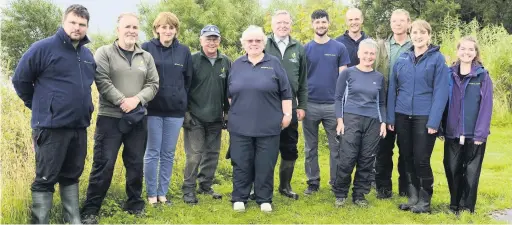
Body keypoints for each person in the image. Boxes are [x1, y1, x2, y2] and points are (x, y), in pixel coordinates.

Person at [11, 4, 94, 224]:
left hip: (78, 126)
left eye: (82, 24)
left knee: (71, 175)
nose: (77, 27)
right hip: (50, 127)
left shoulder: (86, 55)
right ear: (64, 22)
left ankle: (72, 219)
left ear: (86, 27)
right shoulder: (43, 48)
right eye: (73, 22)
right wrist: (40, 106)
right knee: (45, 178)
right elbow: (20, 80)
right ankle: (40, 221)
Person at [81, 13, 159, 223]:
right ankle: (91, 209)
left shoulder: (146, 57)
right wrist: (122, 101)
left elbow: (153, 84)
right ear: (118, 30)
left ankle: (134, 203)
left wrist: (137, 100)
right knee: (103, 164)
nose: (131, 31)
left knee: (135, 163)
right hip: (110, 118)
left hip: (138, 119)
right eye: (127, 27)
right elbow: (102, 80)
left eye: (135, 27)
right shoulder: (104, 52)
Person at [387, 19, 449, 214]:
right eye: (415, 32)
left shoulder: (437, 59)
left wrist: (434, 121)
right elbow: (392, 89)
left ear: (429, 35)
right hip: (402, 115)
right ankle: (412, 196)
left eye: (422, 32)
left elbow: (441, 92)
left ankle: (425, 199)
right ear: (410, 34)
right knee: (406, 156)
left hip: (425, 116)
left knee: (421, 159)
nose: (418, 36)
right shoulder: (402, 58)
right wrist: (390, 117)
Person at [228, 25, 292, 213]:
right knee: (241, 161)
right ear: (243, 44)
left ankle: (264, 198)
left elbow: (286, 93)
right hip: (240, 125)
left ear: (264, 43)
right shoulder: (236, 64)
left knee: (265, 162)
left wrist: (287, 114)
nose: (254, 44)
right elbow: (230, 95)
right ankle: (240, 196)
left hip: (269, 124)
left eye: (258, 41)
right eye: (250, 41)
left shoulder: (274, 64)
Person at [140, 12, 193, 206]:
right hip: (152, 110)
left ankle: (163, 193)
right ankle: (151, 194)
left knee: (168, 154)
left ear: (176, 30)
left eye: (171, 27)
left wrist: (182, 101)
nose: (167, 30)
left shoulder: (184, 51)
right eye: (163, 27)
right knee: (152, 152)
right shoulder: (146, 48)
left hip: (175, 112)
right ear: (156, 29)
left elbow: (188, 80)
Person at [332, 39, 386, 207]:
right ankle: (340, 193)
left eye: (372, 54)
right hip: (351, 119)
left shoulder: (379, 77)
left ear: (375, 56)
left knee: (367, 159)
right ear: (358, 54)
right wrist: (339, 120)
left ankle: (359, 195)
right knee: (347, 158)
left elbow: (382, 103)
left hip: (373, 122)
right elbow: (338, 98)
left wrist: (383, 122)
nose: (368, 56)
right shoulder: (347, 73)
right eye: (365, 53)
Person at [181, 24, 231, 203]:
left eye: (215, 38)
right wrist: (185, 112)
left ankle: (205, 186)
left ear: (219, 41)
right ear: (201, 40)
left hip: (216, 117)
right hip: (195, 117)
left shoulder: (225, 61)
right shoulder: (192, 60)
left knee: (212, 154)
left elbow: (228, 91)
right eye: (208, 38)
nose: (212, 42)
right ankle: (188, 189)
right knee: (194, 155)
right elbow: (184, 88)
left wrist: (227, 113)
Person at [443, 36, 493, 214]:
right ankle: (454, 205)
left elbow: (486, 106)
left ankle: (466, 207)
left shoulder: (483, 76)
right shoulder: (448, 74)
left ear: (475, 53)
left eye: (470, 49)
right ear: (457, 51)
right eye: (463, 49)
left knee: (471, 172)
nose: (466, 52)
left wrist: (481, 134)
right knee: (452, 168)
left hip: (474, 134)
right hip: (452, 133)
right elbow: (442, 102)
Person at [303, 9, 350, 195]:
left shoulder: (339, 48)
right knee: (310, 147)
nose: (320, 25)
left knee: (336, 147)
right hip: (310, 105)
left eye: (323, 22)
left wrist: (342, 106)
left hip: (333, 106)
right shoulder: (305, 49)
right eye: (317, 22)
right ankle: (312, 183)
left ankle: (336, 182)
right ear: (312, 25)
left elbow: (344, 78)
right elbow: (301, 79)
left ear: (328, 23)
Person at [265, 10, 308, 200]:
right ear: (272, 25)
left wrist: (302, 105)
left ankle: (285, 186)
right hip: (267, 107)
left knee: (289, 148)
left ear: (291, 25)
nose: (282, 26)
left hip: (290, 108)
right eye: (279, 23)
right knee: (264, 149)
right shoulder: (263, 44)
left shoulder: (299, 48)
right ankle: (261, 186)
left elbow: (304, 80)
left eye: (286, 23)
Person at [374, 9, 413, 199]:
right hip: (383, 102)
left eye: (401, 21)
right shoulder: (381, 45)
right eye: (394, 21)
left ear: (408, 23)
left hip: (407, 103)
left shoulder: (415, 45)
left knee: (406, 149)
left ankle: (405, 188)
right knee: (383, 148)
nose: (397, 24)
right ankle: (383, 188)